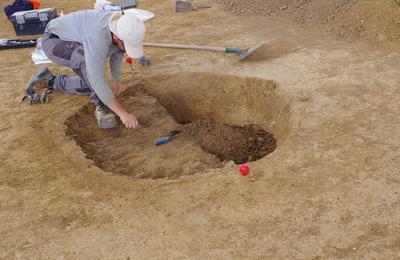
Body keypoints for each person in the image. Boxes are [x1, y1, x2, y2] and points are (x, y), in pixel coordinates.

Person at [24, 9, 148, 129]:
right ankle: (100, 105)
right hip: (54, 40)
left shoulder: (120, 25)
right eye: (126, 46)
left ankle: (49, 80)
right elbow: (96, 78)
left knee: (89, 85)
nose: (126, 50)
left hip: (76, 39)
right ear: (116, 37)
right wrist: (123, 114)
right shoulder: (98, 36)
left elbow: (118, 51)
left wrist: (116, 79)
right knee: (87, 66)